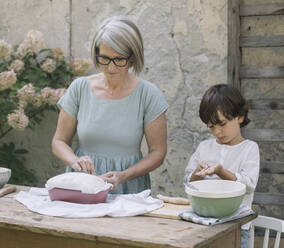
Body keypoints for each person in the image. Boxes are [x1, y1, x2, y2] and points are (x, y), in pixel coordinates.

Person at [52, 16, 168, 194]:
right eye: (104, 59)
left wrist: (124, 175)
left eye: (119, 59)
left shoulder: (149, 94)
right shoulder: (80, 88)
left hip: (129, 186)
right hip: (83, 184)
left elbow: (158, 153)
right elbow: (59, 142)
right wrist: (75, 161)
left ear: (132, 57)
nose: (111, 68)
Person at [184, 84, 260, 248]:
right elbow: (188, 182)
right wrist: (196, 175)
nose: (217, 132)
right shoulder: (204, 147)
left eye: (222, 124)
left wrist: (221, 171)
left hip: (238, 229)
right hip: (204, 227)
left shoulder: (249, 148)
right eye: (211, 126)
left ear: (240, 116)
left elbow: (249, 184)